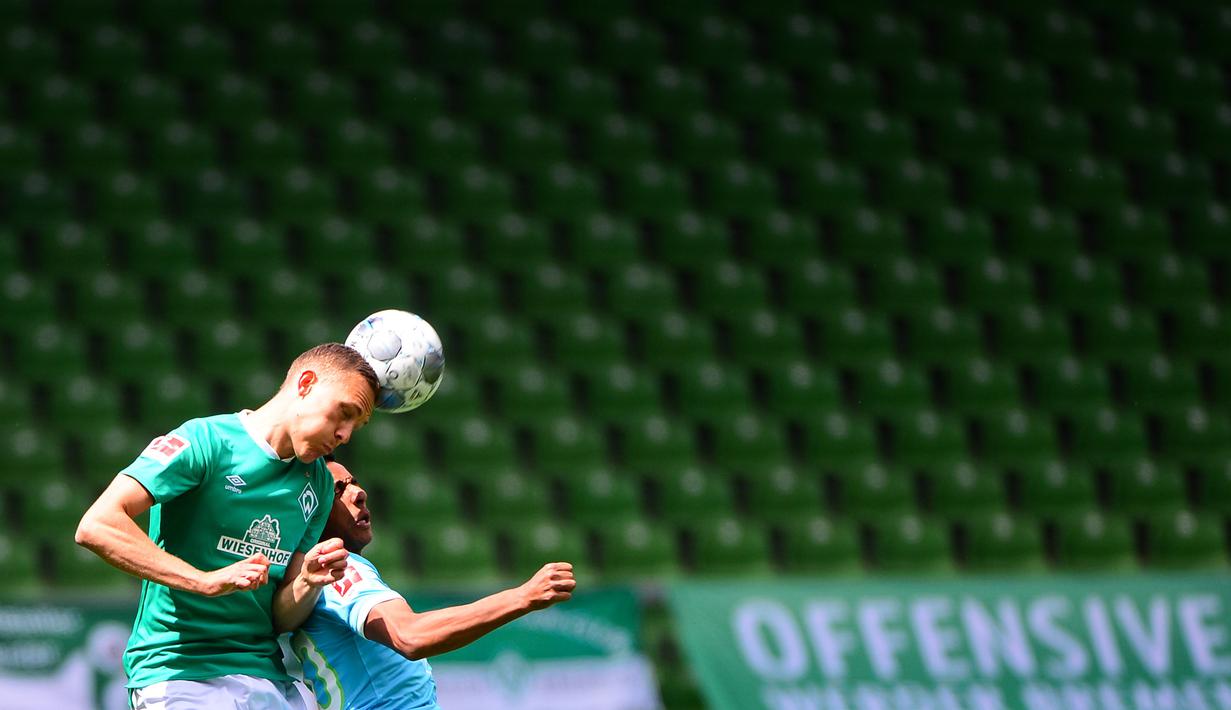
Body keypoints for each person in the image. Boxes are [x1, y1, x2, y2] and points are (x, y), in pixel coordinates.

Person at [75, 342, 381, 709]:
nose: (345, 434)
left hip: (265, 676)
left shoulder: (316, 483)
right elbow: (97, 525)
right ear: (306, 384)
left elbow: (280, 618)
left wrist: (307, 582)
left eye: (356, 426)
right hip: (180, 673)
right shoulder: (204, 441)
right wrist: (203, 581)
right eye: (343, 413)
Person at [290, 455, 577, 710]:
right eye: (339, 489)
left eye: (354, 482)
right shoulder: (337, 568)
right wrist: (522, 597)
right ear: (310, 512)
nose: (359, 493)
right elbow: (410, 636)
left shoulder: (316, 575)